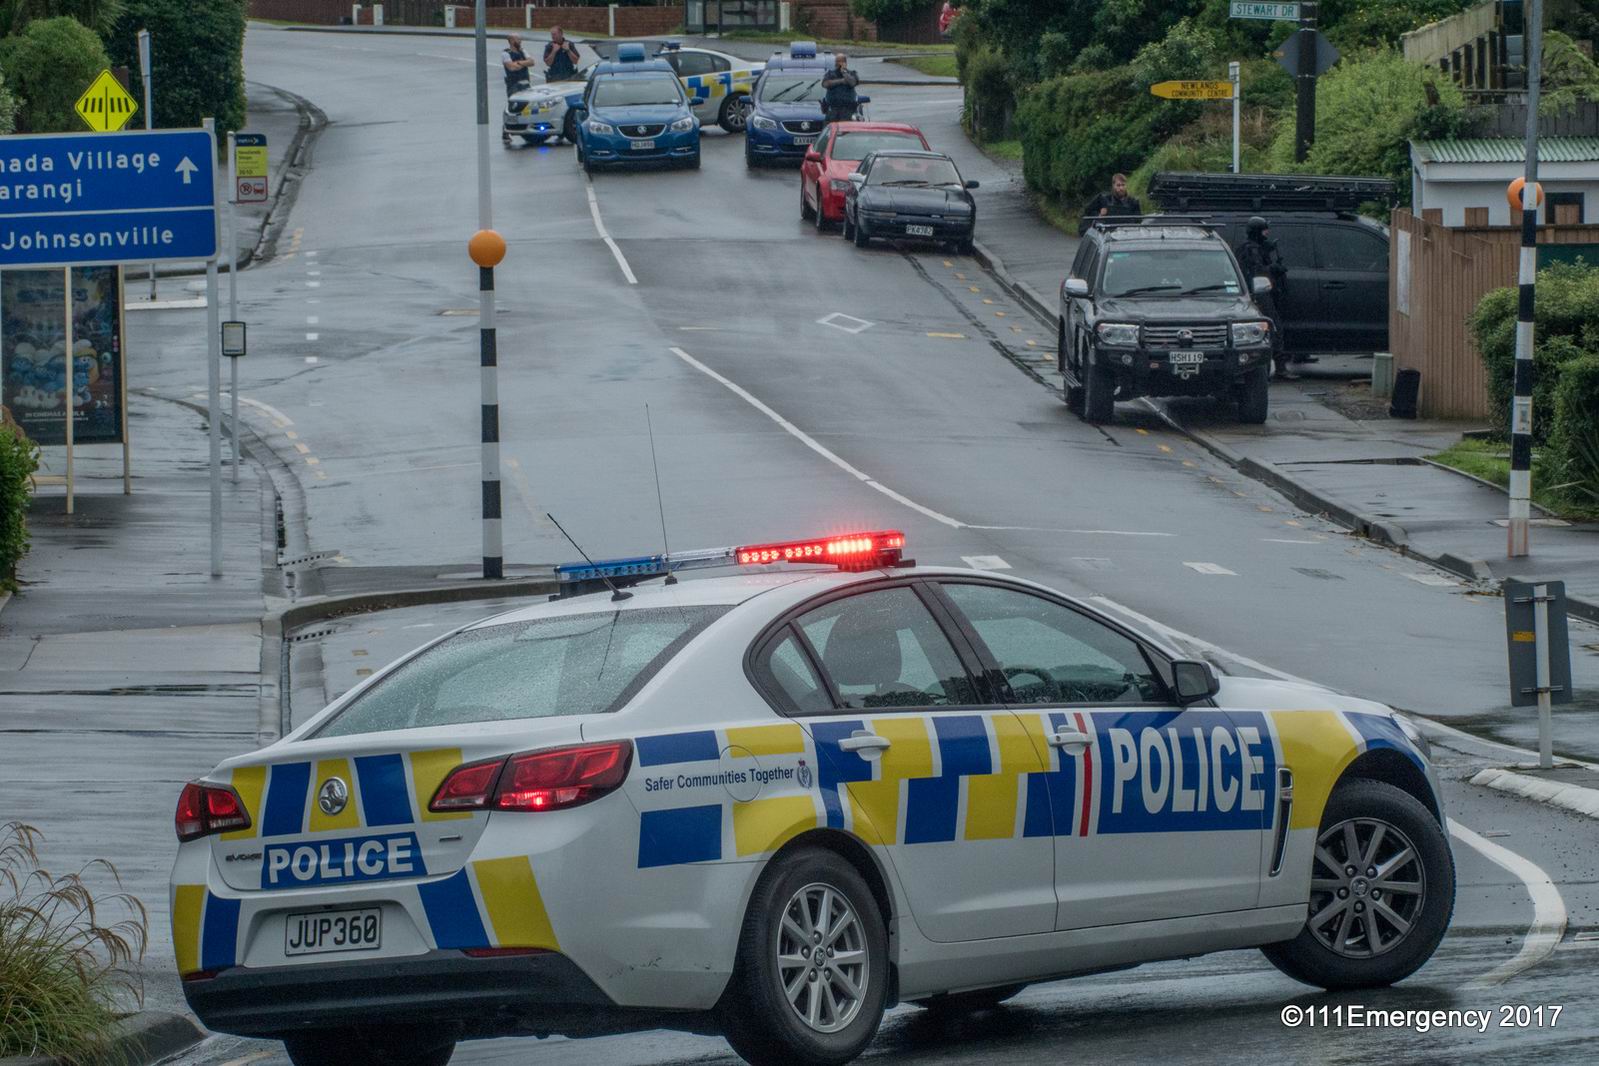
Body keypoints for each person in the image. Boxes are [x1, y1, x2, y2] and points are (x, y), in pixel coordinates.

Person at [1236, 216, 1293, 380]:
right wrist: (1273, 268)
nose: (1266, 233)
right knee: (1274, 328)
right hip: (1258, 294)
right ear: (1257, 232)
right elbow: (1256, 272)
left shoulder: (1255, 248)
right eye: (1264, 230)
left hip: (1260, 293)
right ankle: (1279, 367)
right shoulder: (1250, 249)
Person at [501, 34, 535, 144]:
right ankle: (506, 131)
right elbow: (511, 67)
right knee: (513, 108)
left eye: (520, 39)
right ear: (511, 40)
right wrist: (523, 63)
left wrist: (519, 63)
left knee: (528, 107)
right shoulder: (506, 53)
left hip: (525, 83)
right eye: (517, 39)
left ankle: (527, 129)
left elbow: (532, 62)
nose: (520, 41)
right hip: (513, 85)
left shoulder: (523, 51)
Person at [822, 53, 860, 124]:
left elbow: (852, 83)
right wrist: (841, 81)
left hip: (848, 111)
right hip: (832, 110)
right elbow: (825, 84)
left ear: (845, 63)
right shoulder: (830, 74)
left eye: (840, 61)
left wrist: (844, 72)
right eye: (836, 61)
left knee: (845, 131)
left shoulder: (852, 73)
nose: (837, 63)